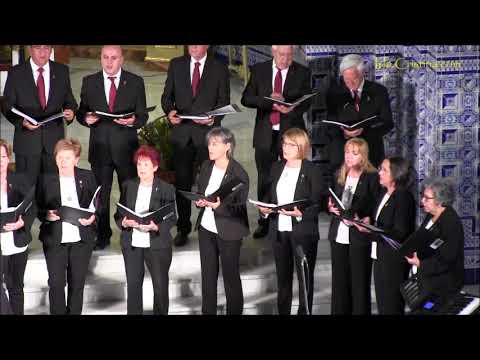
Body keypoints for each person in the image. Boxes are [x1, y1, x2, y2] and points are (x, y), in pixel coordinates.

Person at [76, 45, 148, 250]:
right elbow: (82, 112)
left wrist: (133, 121)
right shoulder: (89, 82)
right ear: (100, 58)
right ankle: (102, 234)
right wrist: (85, 119)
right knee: (101, 196)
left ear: (122, 59)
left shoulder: (135, 82)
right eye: (105, 57)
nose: (109, 62)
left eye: (114, 58)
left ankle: (128, 230)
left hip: (126, 149)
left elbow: (142, 116)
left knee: (129, 194)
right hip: (100, 150)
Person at [161, 45, 230, 247]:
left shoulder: (219, 67)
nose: (193, 47)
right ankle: (183, 227)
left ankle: (208, 226)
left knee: (210, 183)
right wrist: (169, 112)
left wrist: (213, 119)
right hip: (182, 135)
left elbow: (224, 101)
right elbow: (167, 97)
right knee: (182, 184)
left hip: (207, 136)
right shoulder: (176, 65)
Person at [241, 45, 312, 239]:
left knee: (293, 177)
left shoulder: (302, 72)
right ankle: (264, 221)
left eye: (289, 55)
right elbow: (246, 98)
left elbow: (307, 101)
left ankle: (293, 215)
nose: (285, 59)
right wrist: (269, 102)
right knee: (265, 177)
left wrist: (292, 109)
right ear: (273, 52)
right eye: (282, 54)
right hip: (265, 134)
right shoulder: (259, 70)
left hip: (291, 134)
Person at [255, 128, 323, 315]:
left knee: (304, 281)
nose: (285, 147)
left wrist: (300, 213)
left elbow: (318, 203)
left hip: (303, 232)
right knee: (283, 281)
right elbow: (270, 196)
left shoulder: (312, 170)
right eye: (284, 143)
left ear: (301, 147)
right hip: (279, 231)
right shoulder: (276, 168)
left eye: (290, 145)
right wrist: (265, 210)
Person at [36, 139, 98, 315]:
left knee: (77, 284)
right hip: (55, 238)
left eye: (68, 158)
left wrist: (92, 218)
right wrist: (47, 215)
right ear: (55, 159)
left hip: (81, 240)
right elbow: (37, 206)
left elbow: (97, 205)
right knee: (56, 284)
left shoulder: (87, 177)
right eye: (60, 158)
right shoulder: (46, 179)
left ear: (76, 160)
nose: (63, 162)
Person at [114, 145, 177, 315]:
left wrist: (157, 226)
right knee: (134, 286)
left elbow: (172, 218)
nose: (141, 168)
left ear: (155, 167)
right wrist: (124, 223)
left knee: (160, 286)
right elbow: (118, 215)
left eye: (146, 164)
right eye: (139, 164)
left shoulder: (166, 188)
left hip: (157, 243)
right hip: (132, 243)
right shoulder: (128, 185)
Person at [2, 45, 77, 185]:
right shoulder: (16, 72)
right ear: (30, 49)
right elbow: (6, 106)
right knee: (26, 192)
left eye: (47, 48)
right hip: (27, 144)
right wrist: (21, 122)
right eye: (38, 48)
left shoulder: (61, 71)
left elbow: (69, 101)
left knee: (51, 193)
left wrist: (71, 111)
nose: (43, 52)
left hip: (54, 145)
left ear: (51, 49)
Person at [193, 127, 249, 315]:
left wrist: (219, 207)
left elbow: (240, 208)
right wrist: (200, 201)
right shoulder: (206, 166)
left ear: (227, 146)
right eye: (209, 143)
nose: (210, 147)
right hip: (207, 228)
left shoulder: (239, 174)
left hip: (230, 230)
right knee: (208, 277)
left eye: (215, 144)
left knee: (230, 277)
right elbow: (202, 192)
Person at [353, 157, 415, 314]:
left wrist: (371, 230)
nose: (379, 172)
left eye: (384, 170)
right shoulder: (383, 193)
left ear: (396, 174)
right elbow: (380, 220)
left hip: (393, 260)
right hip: (380, 255)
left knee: (391, 304)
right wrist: (369, 220)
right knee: (382, 302)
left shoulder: (403, 197)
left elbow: (400, 233)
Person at [327, 137, 380, 315]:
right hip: (339, 234)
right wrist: (330, 208)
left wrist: (366, 218)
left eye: (354, 153)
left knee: (359, 283)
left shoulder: (372, 177)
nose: (349, 157)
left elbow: (375, 207)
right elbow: (334, 200)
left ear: (363, 156)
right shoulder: (340, 174)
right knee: (339, 283)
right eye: (347, 152)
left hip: (359, 236)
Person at [325, 54, 393, 171]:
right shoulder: (334, 93)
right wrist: (345, 133)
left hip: (371, 153)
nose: (350, 83)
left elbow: (387, 123)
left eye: (354, 79)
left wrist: (364, 130)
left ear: (362, 73)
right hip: (342, 156)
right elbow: (330, 126)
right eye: (346, 80)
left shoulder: (379, 91)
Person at [406, 176, 464, 302]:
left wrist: (420, 264)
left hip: (443, 283)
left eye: (427, 198)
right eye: (423, 196)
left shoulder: (450, 223)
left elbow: (447, 260)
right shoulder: (431, 215)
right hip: (427, 279)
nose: (422, 201)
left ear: (440, 200)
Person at [1, 139, 36, 315]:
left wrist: (24, 222)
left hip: (18, 242)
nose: (0, 160)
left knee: (16, 288)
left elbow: (32, 206)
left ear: (8, 158)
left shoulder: (20, 179)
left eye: (3, 156)